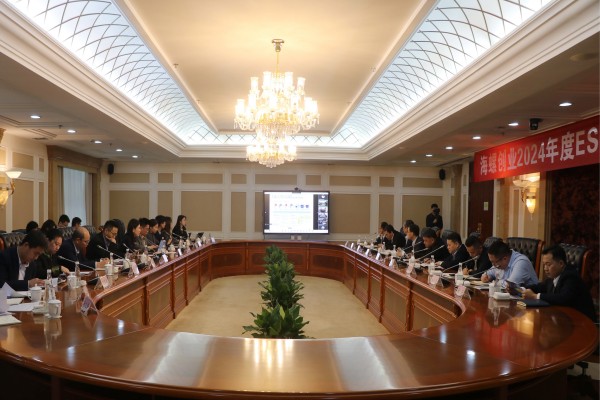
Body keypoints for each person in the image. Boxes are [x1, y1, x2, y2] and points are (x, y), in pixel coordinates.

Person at [522, 245, 596, 321]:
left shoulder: (570, 276)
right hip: (563, 319)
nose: (545, 269)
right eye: (544, 265)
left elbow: (563, 298)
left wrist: (535, 296)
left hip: (582, 322)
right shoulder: (554, 275)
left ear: (561, 263)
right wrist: (521, 289)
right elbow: (540, 287)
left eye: (548, 264)